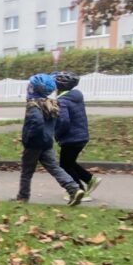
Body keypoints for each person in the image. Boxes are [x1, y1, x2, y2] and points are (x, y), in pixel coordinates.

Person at [13, 74, 85, 206]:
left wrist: (28, 139)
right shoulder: (50, 104)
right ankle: (74, 189)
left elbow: (37, 122)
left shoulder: (33, 105)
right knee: (54, 168)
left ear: (34, 89)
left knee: (26, 171)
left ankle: (22, 197)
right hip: (47, 143)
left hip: (34, 144)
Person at [53, 71, 101, 201]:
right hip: (81, 136)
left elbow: (64, 121)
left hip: (71, 138)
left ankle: (79, 191)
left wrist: (57, 135)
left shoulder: (61, 101)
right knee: (70, 162)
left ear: (59, 87)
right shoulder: (75, 96)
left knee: (65, 165)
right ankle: (90, 179)